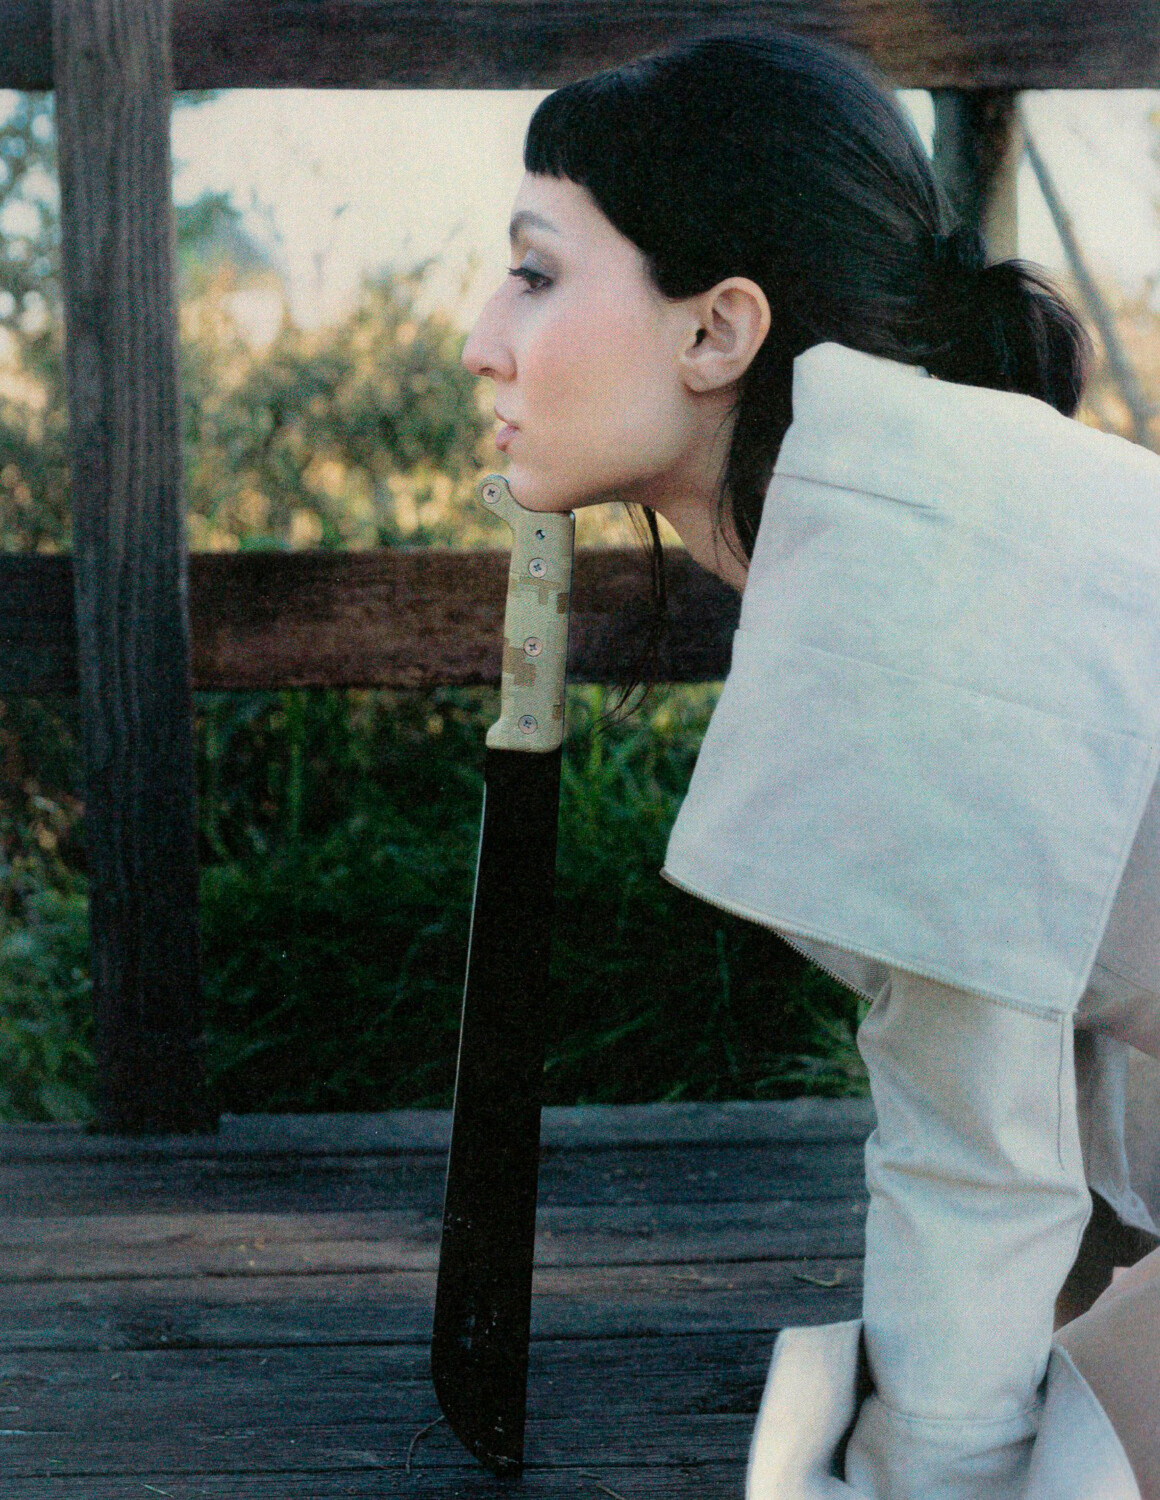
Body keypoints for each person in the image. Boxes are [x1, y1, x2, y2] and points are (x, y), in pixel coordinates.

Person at [460, 29, 1160, 1498]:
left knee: (1051, 1461)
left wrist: (933, 1470)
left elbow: (978, 1163)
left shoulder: (923, 595)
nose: (483, 338)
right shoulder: (946, 509)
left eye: (534, 272)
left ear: (719, 332)